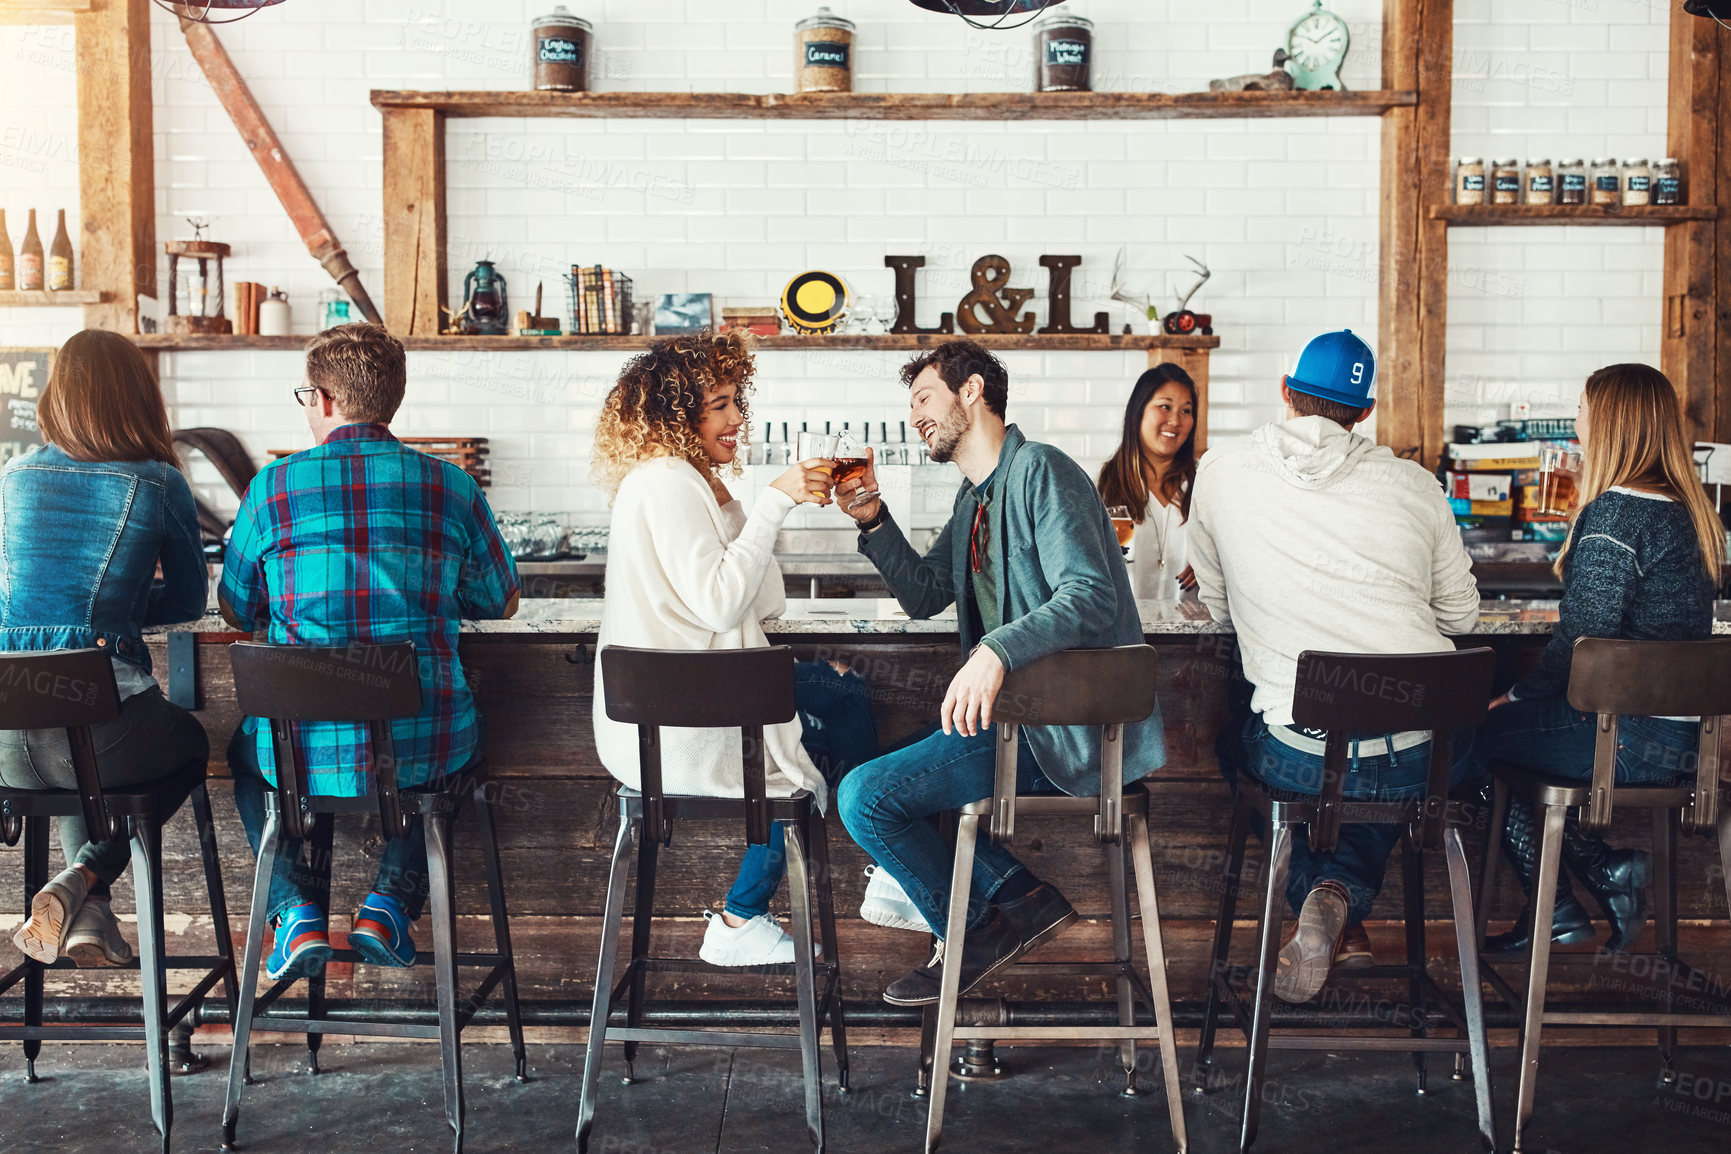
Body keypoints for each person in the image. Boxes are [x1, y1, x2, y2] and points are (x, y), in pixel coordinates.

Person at [830, 338, 1164, 1006]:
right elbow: (925, 593)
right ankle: (1017, 899)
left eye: (924, 398)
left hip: (1063, 732)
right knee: (875, 775)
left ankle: (981, 926)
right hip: (1019, 726)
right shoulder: (975, 497)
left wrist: (996, 650)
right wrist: (871, 519)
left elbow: (1091, 594)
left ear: (972, 391)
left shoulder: (1040, 470)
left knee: (865, 796)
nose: (915, 416)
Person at [218, 324, 520, 981]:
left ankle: (295, 914)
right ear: (391, 400)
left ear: (323, 400)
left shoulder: (271, 488)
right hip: (421, 743)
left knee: (246, 754)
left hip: (301, 752)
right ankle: (388, 904)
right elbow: (499, 601)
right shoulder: (453, 487)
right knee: (458, 751)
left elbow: (238, 607)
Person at [1188, 329, 1481, 1004]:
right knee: (1392, 777)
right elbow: (1461, 618)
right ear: (1364, 412)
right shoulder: (1415, 484)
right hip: (1420, 759)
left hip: (1301, 754)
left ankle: (1325, 899)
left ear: (1286, 393)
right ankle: (1339, 910)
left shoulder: (1221, 470)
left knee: (1246, 746)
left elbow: (1216, 607)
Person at [590, 329, 880, 967]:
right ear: (675, 412)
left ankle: (745, 913)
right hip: (685, 730)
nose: (736, 417)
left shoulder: (685, 481)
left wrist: (739, 512)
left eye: (734, 401)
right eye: (717, 403)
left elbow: (764, 599)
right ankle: (878, 867)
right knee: (838, 700)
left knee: (821, 706)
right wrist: (775, 501)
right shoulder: (666, 479)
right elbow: (723, 605)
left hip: (685, 712)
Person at [1466, 364, 1724, 954]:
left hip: (1621, 740)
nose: (1576, 422)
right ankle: (1592, 882)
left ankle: (1567, 899)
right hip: (1682, 748)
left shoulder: (1616, 515)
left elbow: (1583, 641)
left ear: (1608, 424)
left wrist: (1516, 696)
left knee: (1465, 739)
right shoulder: (1685, 512)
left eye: (1581, 410)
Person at [0, 331, 210, 967]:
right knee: (188, 747)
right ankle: (82, 879)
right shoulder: (157, 482)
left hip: (7, 745)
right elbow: (187, 604)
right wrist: (116, 611)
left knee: (81, 767)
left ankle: (89, 910)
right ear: (138, 399)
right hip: (105, 732)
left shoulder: (10, 476)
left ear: (57, 395)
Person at [1097, 364, 1201, 602]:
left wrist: (1213, 568)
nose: (1175, 420)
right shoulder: (1101, 486)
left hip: (1194, 632)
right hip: (1125, 635)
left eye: (1186, 410)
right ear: (1139, 411)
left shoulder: (1206, 482)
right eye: (1165, 406)